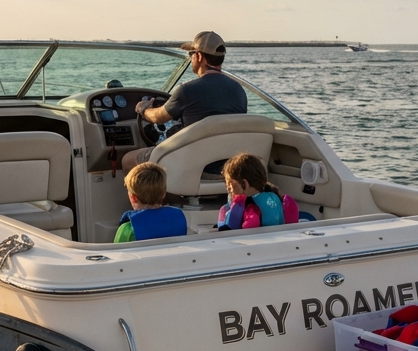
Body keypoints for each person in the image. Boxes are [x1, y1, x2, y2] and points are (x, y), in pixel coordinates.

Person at [121, 31, 247, 171]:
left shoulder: (187, 90)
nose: (191, 58)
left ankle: (152, 194)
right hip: (228, 166)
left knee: (128, 160)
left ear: (198, 56)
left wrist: (143, 109)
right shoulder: (238, 90)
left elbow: (158, 117)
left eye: (191, 54)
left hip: (193, 165)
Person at [217, 153, 299, 230]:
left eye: (230, 185)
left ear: (244, 184)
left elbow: (250, 225)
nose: (228, 189)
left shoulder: (251, 205)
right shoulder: (274, 196)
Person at [114, 162, 188, 242]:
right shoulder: (178, 218)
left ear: (133, 198)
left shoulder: (128, 229)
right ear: (163, 194)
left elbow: (117, 253)